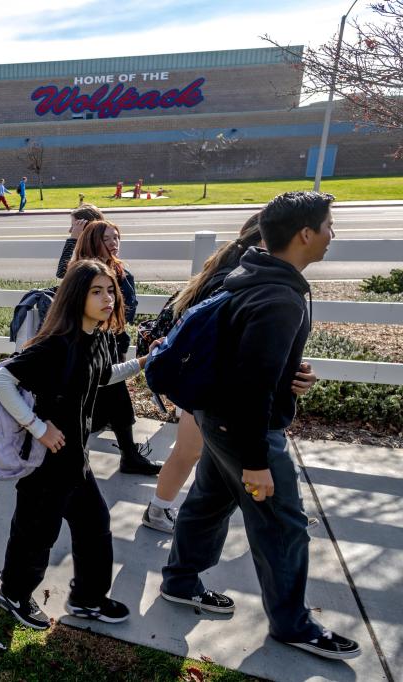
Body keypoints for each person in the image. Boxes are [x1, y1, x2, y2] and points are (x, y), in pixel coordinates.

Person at [161, 191, 360, 660]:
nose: (333, 235)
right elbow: (252, 385)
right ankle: (293, 625)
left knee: (209, 502)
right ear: (306, 234)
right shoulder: (279, 297)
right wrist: (256, 463)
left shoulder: (252, 273)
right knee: (283, 525)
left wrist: (291, 369)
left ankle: (180, 581)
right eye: (330, 226)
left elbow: (245, 355)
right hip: (245, 428)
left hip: (217, 417)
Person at [0, 259, 158, 629]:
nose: (107, 298)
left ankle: (87, 598)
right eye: (96, 291)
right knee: (35, 536)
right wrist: (37, 426)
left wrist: (144, 362)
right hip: (46, 464)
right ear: (75, 296)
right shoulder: (57, 344)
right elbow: (1, 381)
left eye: (110, 290)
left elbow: (102, 376)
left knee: (95, 525)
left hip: (75, 461)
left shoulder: (96, 338)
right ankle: (13, 595)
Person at [141, 214, 273, 532]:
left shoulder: (232, 266)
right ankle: (158, 511)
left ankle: (281, 512)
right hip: (208, 386)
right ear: (264, 240)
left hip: (202, 381)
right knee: (191, 452)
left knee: (194, 453)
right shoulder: (237, 275)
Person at [58, 220, 162, 475]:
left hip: (113, 343)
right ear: (95, 241)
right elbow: (62, 274)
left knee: (116, 397)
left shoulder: (120, 271)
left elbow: (127, 312)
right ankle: (76, 455)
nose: (115, 243)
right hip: (89, 344)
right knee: (89, 399)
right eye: (108, 238)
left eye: (117, 237)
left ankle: (128, 454)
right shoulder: (83, 272)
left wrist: (123, 344)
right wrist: (72, 238)